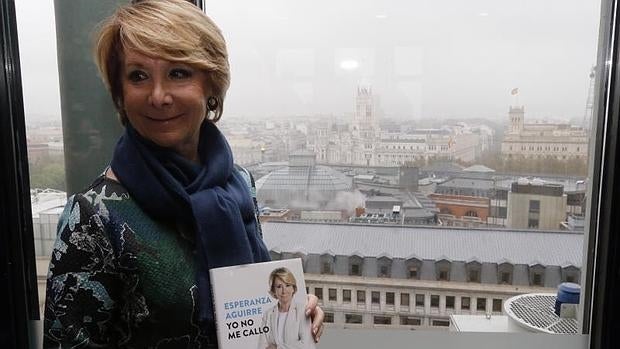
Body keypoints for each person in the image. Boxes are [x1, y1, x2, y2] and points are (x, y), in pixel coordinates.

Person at [43, 1, 324, 348]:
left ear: (212, 87)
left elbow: (251, 307)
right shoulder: (92, 217)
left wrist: (290, 313)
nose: (158, 96)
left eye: (178, 73)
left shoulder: (239, 185)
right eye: (138, 76)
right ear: (121, 95)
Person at [258, 268, 316, 349]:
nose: (284, 291)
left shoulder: (303, 311)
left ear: (293, 288)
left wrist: (277, 347)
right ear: (274, 290)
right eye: (279, 286)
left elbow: (306, 345)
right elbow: (262, 345)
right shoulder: (268, 314)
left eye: (287, 285)